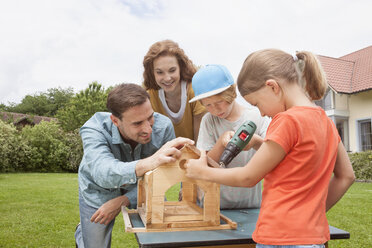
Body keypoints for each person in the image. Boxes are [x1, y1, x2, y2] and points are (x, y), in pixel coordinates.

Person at [185, 49, 355, 247]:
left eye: (257, 103)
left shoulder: (286, 120)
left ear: (272, 87)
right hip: (312, 236)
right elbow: (346, 176)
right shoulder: (325, 121)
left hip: (279, 236)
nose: (262, 113)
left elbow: (248, 177)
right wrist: (313, 214)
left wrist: (202, 172)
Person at [74, 83, 194, 248]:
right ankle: (83, 233)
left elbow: (161, 177)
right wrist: (152, 161)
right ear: (115, 120)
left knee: (161, 240)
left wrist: (123, 200)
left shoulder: (164, 126)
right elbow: (102, 172)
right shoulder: (94, 128)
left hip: (145, 187)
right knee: (94, 245)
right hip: (98, 189)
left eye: (150, 117)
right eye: (137, 123)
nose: (148, 129)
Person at [189, 64, 270, 209]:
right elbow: (205, 165)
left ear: (232, 92)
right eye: (208, 105)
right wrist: (221, 143)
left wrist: (256, 141)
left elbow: (273, 153)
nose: (215, 109)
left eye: (220, 102)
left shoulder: (257, 117)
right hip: (216, 206)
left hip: (251, 204)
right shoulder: (209, 121)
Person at [143, 39, 206, 141]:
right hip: (167, 154)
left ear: (180, 68)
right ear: (152, 72)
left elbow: (200, 141)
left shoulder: (194, 90)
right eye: (160, 72)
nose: (167, 78)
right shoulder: (150, 97)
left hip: (196, 152)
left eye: (172, 70)